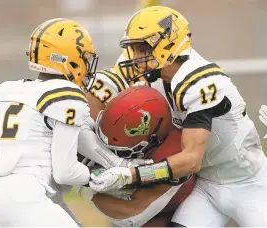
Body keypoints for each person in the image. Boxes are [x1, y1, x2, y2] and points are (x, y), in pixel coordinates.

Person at [88, 6, 267, 227]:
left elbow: (192, 160)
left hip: (250, 184)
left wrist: (131, 174)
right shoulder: (153, 69)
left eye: (141, 47)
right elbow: (98, 89)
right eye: (133, 48)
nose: (134, 56)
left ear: (168, 45)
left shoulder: (199, 81)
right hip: (207, 187)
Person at [0, 18, 151, 227]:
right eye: (84, 57)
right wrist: (103, 175)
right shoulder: (66, 94)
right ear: (69, 58)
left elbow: (81, 136)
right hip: (27, 194)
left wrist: (122, 166)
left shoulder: (8, 90)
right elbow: (65, 172)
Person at [80, 86, 195, 227]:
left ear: (152, 139)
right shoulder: (138, 93)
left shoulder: (173, 158)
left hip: (166, 215)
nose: (111, 152)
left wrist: (86, 189)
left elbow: (130, 216)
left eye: (120, 151)